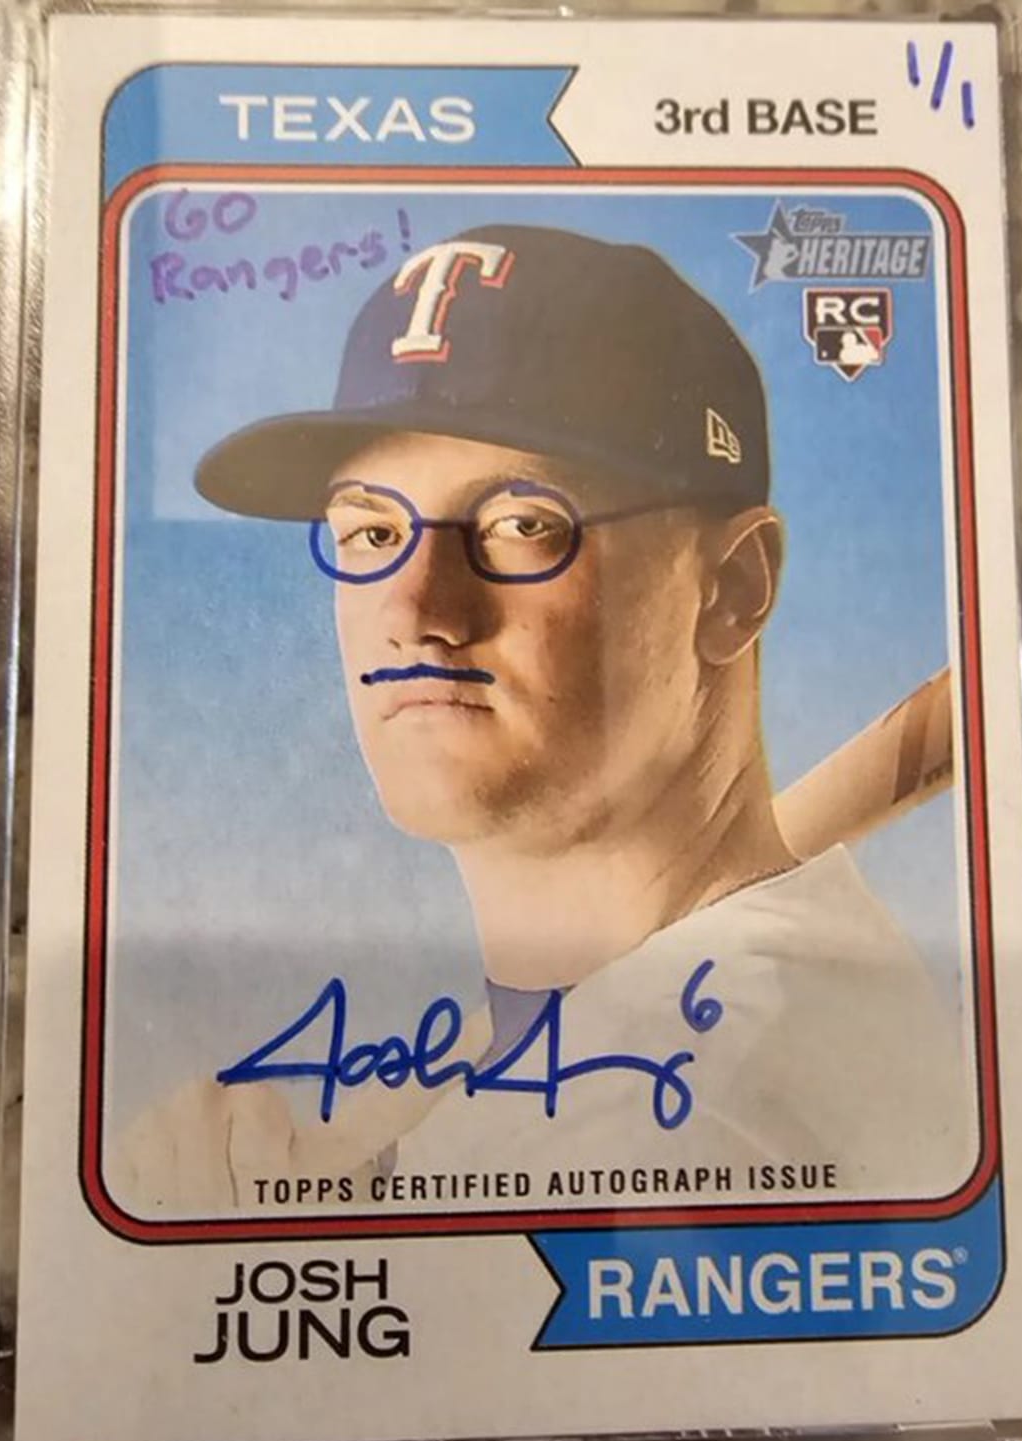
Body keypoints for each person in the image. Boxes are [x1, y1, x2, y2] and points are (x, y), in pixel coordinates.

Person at [117, 225, 963, 1209]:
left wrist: (221, 1263)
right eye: (373, 531)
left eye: (524, 524)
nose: (417, 609)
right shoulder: (684, 1022)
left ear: (731, 589)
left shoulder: (672, 1110)